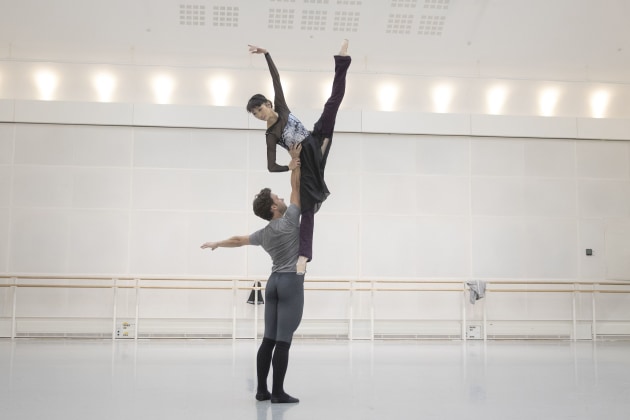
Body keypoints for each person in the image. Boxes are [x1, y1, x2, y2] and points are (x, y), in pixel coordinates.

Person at [201, 143, 303, 404]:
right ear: (273, 208)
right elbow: (296, 189)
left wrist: (217, 243)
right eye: (276, 199)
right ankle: (278, 393)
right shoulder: (290, 219)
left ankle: (261, 391)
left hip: (272, 284)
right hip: (290, 283)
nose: (280, 198)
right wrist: (294, 162)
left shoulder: (264, 234)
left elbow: (237, 239)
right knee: (283, 341)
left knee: (268, 339)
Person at [246, 40, 351, 275]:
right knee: (306, 210)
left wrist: (267, 53)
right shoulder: (270, 134)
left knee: (332, 103)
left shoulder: (281, 107)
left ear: (268, 104)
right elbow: (271, 166)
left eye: (259, 110)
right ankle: (304, 255)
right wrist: (290, 165)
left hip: (314, 141)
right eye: (254, 115)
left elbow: (276, 79)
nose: (259, 115)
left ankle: (342, 60)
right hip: (305, 163)